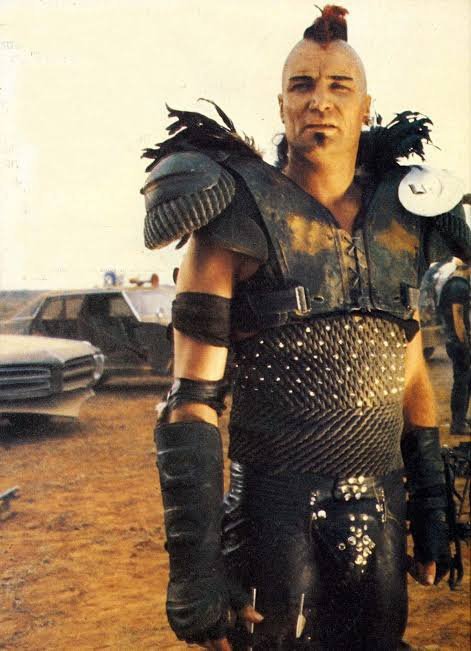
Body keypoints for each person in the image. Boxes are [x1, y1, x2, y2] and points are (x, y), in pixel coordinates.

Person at [141, 6, 471, 650]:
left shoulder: (401, 218)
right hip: (273, 518)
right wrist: (196, 570)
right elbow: (192, 401)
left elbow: (408, 374)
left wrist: (432, 499)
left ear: (365, 108)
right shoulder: (233, 217)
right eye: (302, 85)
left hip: (381, 506)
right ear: (282, 104)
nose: (320, 101)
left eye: (339, 86)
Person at [437, 260, 471, 436]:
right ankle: (458, 424)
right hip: (458, 342)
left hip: (455, 340)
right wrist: (465, 344)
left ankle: (461, 418)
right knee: (462, 383)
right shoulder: (459, 285)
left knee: (465, 381)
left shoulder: (454, 282)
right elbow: (458, 317)